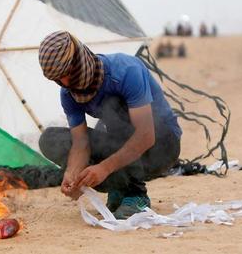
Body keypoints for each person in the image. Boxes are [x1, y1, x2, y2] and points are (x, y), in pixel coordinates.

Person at [38, 31, 182, 219]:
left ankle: (136, 195)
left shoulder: (125, 71)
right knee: (50, 139)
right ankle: (120, 186)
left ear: (79, 60)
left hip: (161, 145)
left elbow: (146, 135)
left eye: (67, 74)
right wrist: (73, 173)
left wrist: (104, 168)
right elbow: (81, 143)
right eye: (58, 79)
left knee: (111, 106)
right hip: (120, 142)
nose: (65, 82)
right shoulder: (68, 94)